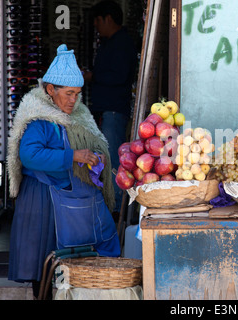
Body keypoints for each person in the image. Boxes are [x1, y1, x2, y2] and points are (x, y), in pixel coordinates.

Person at [7, 44, 121, 299]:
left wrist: (94, 157)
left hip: (69, 199)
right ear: (50, 90)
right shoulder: (39, 120)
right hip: (42, 200)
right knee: (43, 266)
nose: (73, 100)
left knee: (66, 267)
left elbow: (89, 144)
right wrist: (73, 156)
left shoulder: (78, 116)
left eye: (77, 94)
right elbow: (29, 155)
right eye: (68, 93)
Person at [83, 0, 138, 213]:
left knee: (113, 157)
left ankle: (117, 206)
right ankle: (111, 202)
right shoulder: (109, 42)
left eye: (98, 20)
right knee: (106, 156)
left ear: (108, 18)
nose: (96, 25)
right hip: (106, 110)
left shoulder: (122, 43)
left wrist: (93, 76)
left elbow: (119, 76)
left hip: (114, 110)